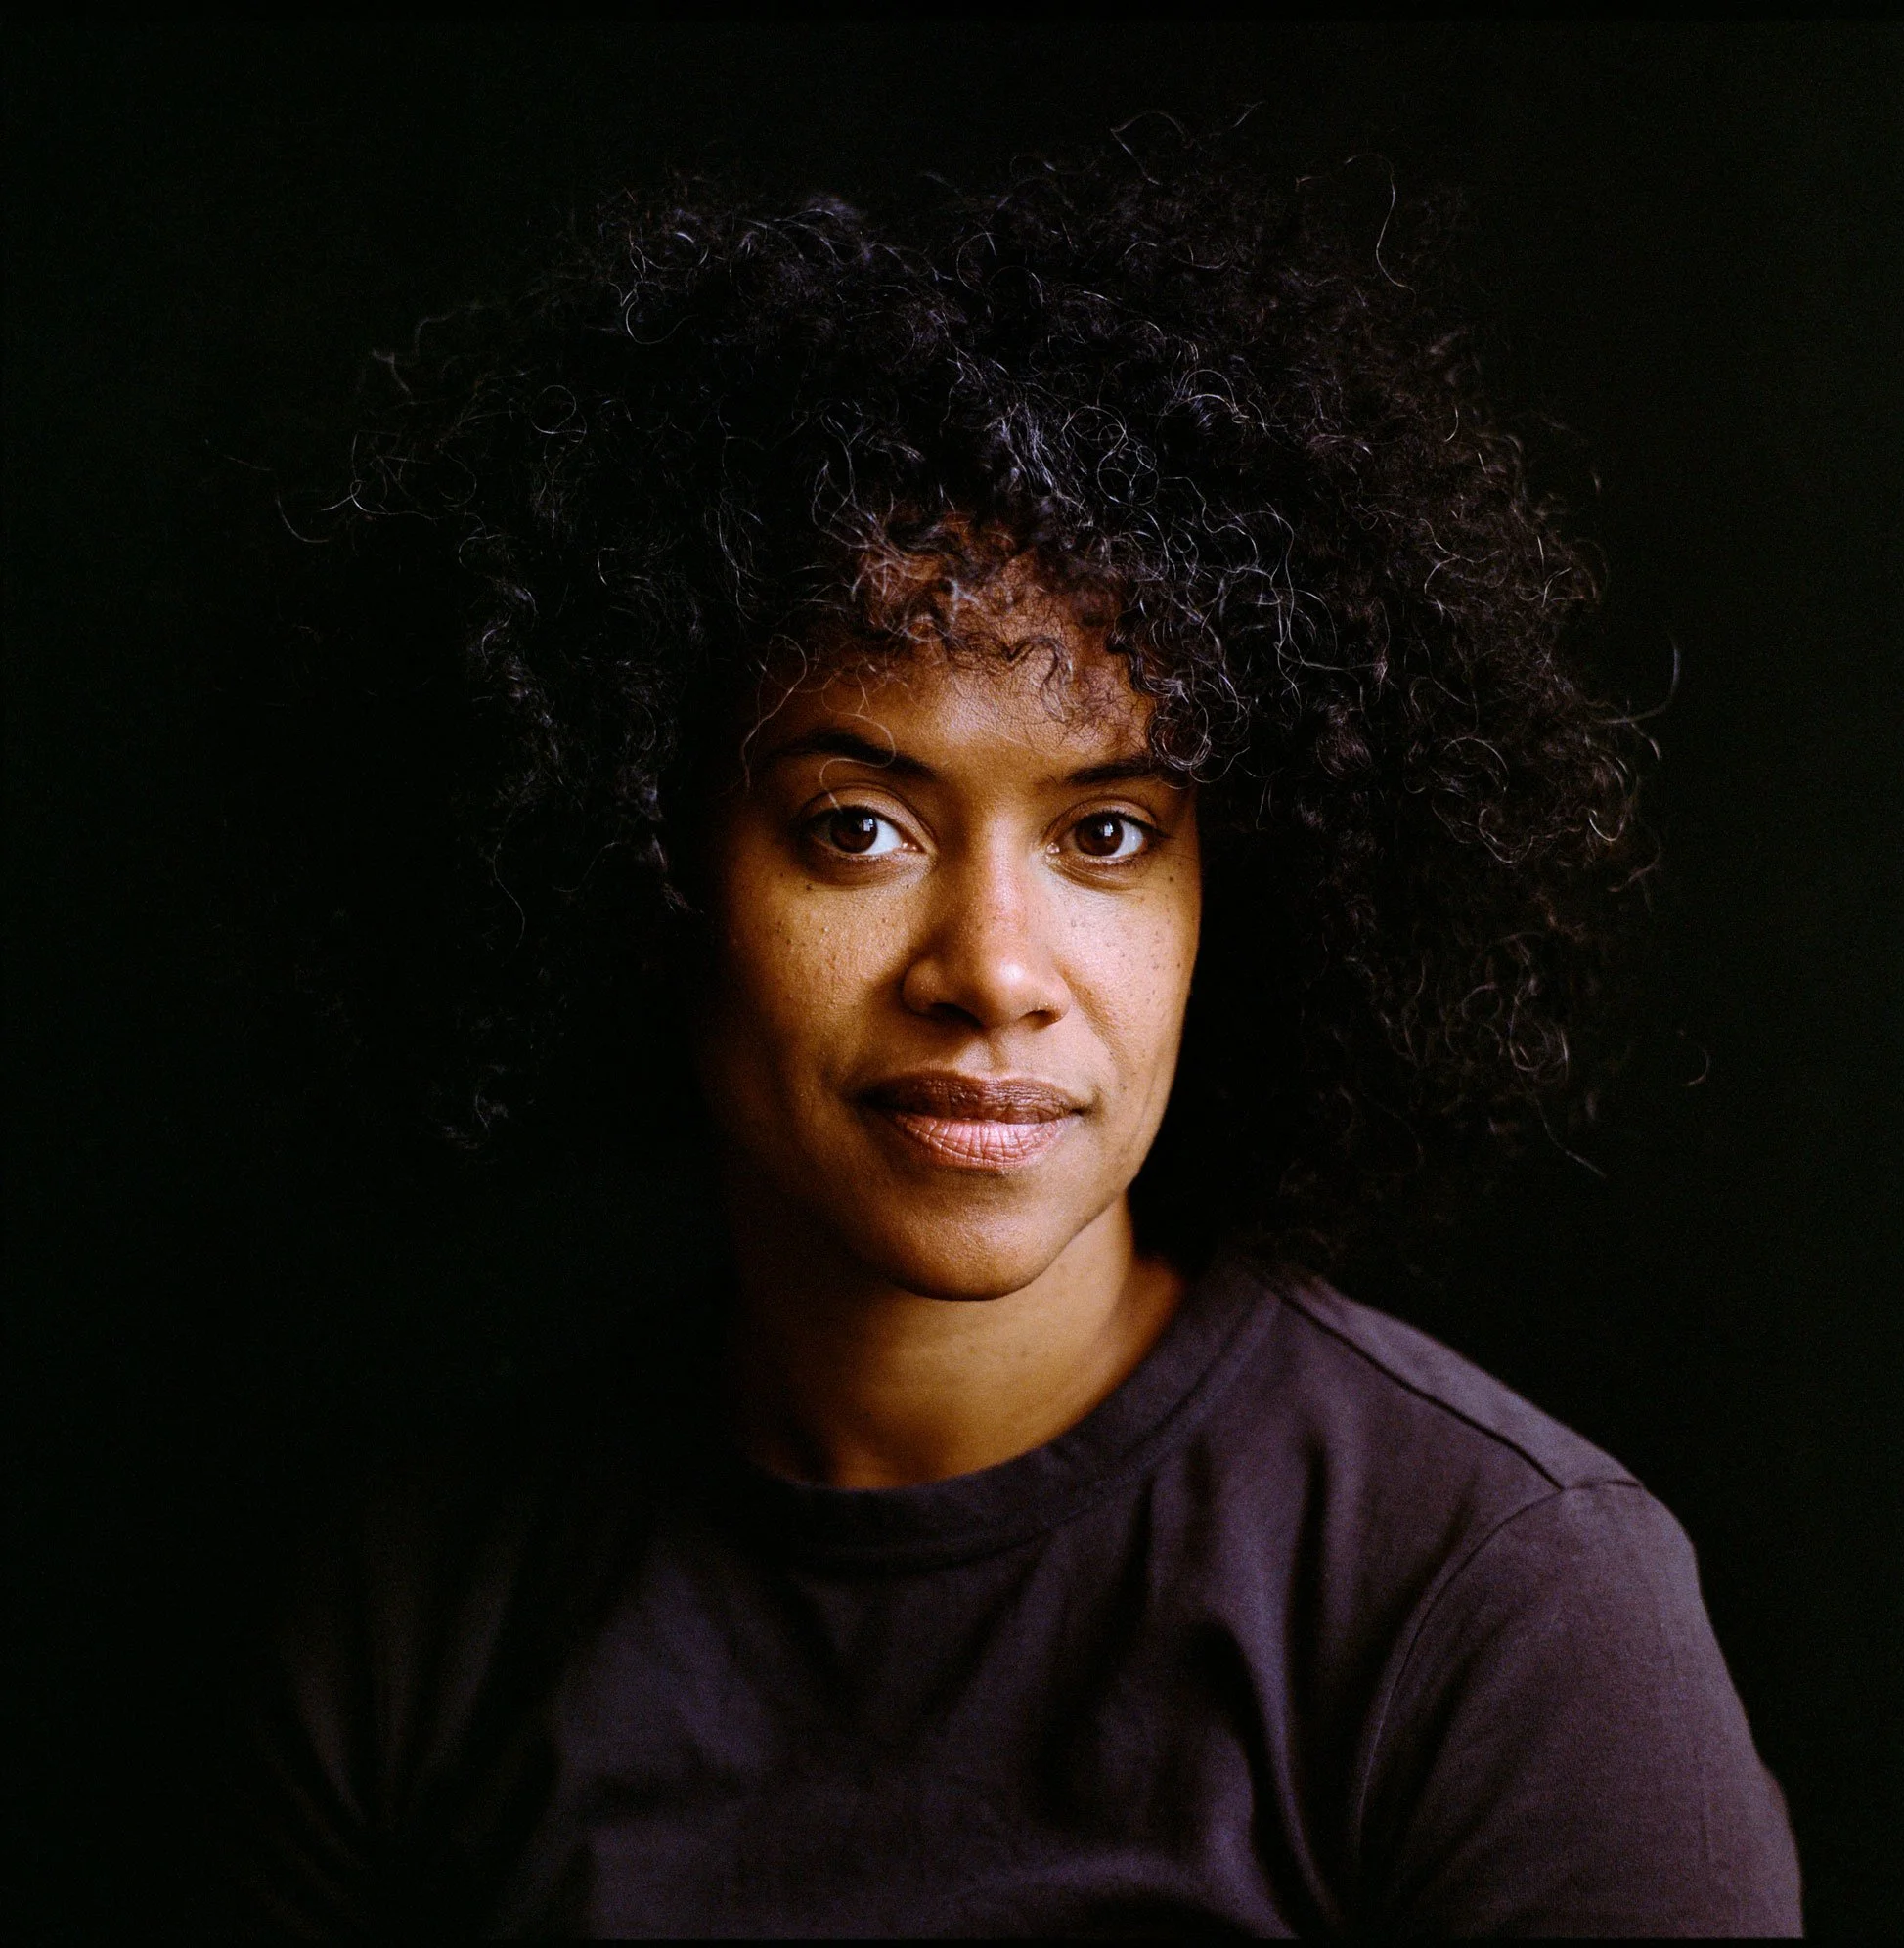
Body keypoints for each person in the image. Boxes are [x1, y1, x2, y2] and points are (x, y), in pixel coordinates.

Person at [228, 136, 1802, 1935]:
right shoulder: (420, 1623)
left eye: (1107, 833)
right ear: (638, 862)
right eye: (857, 827)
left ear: (1233, 897)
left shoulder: (1500, 1608)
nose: (993, 970)